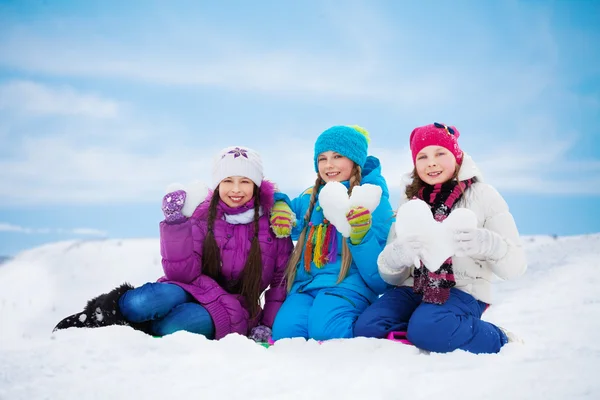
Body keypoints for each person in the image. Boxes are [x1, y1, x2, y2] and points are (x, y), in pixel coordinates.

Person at [54, 146, 294, 341]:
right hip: (191, 288)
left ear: (256, 185)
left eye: (244, 181)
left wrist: (267, 326)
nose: (235, 189)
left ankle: (129, 335)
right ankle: (98, 315)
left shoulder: (273, 226)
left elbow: (279, 285)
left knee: (175, 326)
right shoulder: (202, 217)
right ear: (217, 184)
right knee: (144, 302)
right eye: (228, 180)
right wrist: (175, 223)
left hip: (234, 310)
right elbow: (180, 272)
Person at [353, 122, 527, 354]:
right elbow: (391, 277)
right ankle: (427, 329)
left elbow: (515, 267)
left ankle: (499, 338)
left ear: (456, 156)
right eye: (422, 156)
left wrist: (489, 244)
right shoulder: (412, 201)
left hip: (463, 289)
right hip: (412, 288)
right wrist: (398, 255)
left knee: (429, 327)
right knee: (368, 326)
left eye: (440, 153)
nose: (431, 162)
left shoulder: (484, 195)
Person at [271, 125, 393, 341]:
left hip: (348, 287)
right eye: (322, 158)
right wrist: (279, 204)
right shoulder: (311, 198)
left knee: (327, 332)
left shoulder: (373, 202)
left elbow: (380, 277)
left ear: (355, 160)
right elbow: (270, 201)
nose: (329, 165)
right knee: (286, 335)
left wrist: (361, 236)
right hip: (305, 288)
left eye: (337, 156)